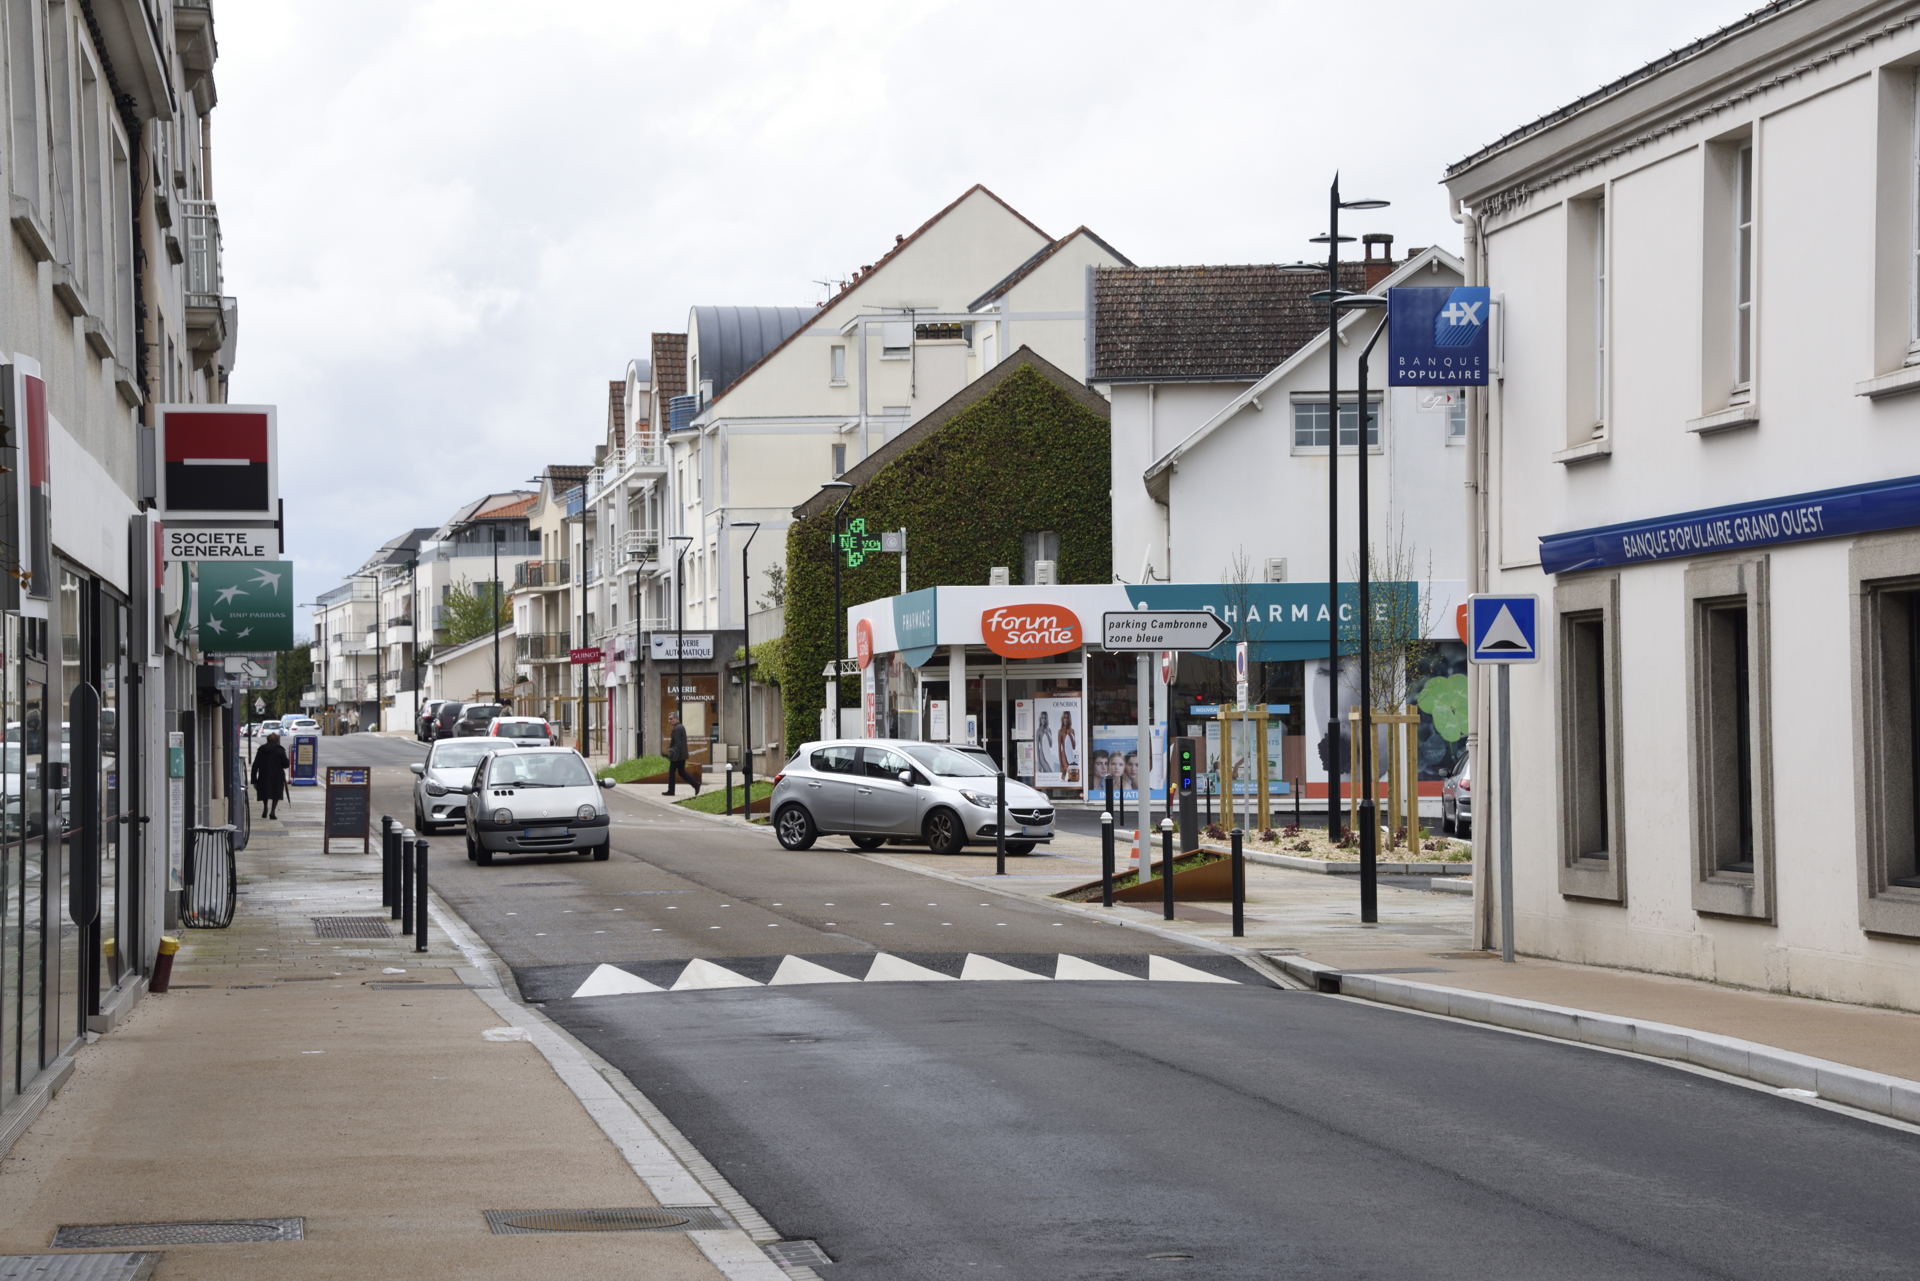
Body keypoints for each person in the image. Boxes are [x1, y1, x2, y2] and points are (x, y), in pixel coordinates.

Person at [251, 731, 290, 819]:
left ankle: (265, 807)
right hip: (277, 775)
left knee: (265, 791)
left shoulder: (261, 750)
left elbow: (255, 765)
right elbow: (285, 765)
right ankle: (272, 811)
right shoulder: (280, 750)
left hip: (264, 774)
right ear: (277, 740)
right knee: (276, 793)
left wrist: (254, 779)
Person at [666, 712, 699, 796]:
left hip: (678, 755)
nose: (669, 720)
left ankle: (671, 791)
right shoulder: (681, 727)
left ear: (676, 719)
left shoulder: (677, 728)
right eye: (669, 719)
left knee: (671, 772)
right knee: (681, 772)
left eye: (671, 718)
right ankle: (695, 784)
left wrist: (675, 756)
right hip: (682, 754)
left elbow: (677, 743)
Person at [1057, 709, 1079, 784]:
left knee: (1070, 776)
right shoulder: (1060, 732)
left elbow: (1074, 747)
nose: (1066, 720)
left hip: (1070, 754)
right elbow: (1059, 749)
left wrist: (1069, 735)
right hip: (1063, 755)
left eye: (1067, 718)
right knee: (1065, 772)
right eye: (1065, 718)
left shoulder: (1072, 731)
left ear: (1069, 719)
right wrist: (1060, 764)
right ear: (1062, 719)